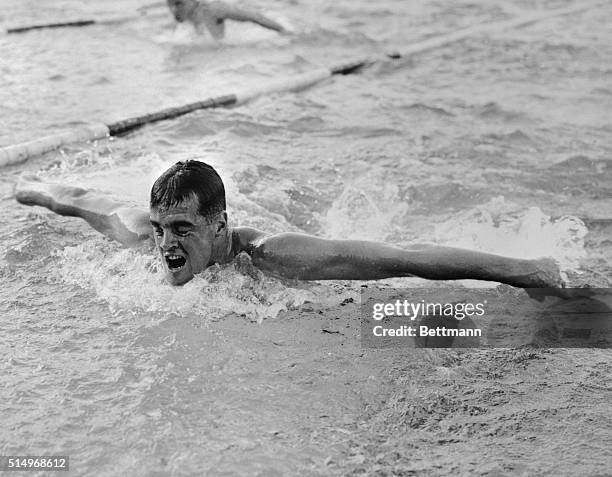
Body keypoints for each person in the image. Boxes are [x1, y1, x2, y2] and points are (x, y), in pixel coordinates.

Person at [15, 160, 564, 288]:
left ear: (220, 224)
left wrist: (523, 270)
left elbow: (405, 255)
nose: (165, 244)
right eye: (160, 228)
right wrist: (29, 189)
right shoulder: (144, 234)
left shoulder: (277, 256)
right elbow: (82, 200)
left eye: (181, 229)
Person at [166, 0, 285, 39]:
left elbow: (254, 17)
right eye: (170, 4)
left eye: (178, 4)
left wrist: (283, 31)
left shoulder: (213, 9)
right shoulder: (184, 19)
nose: (174, 10)